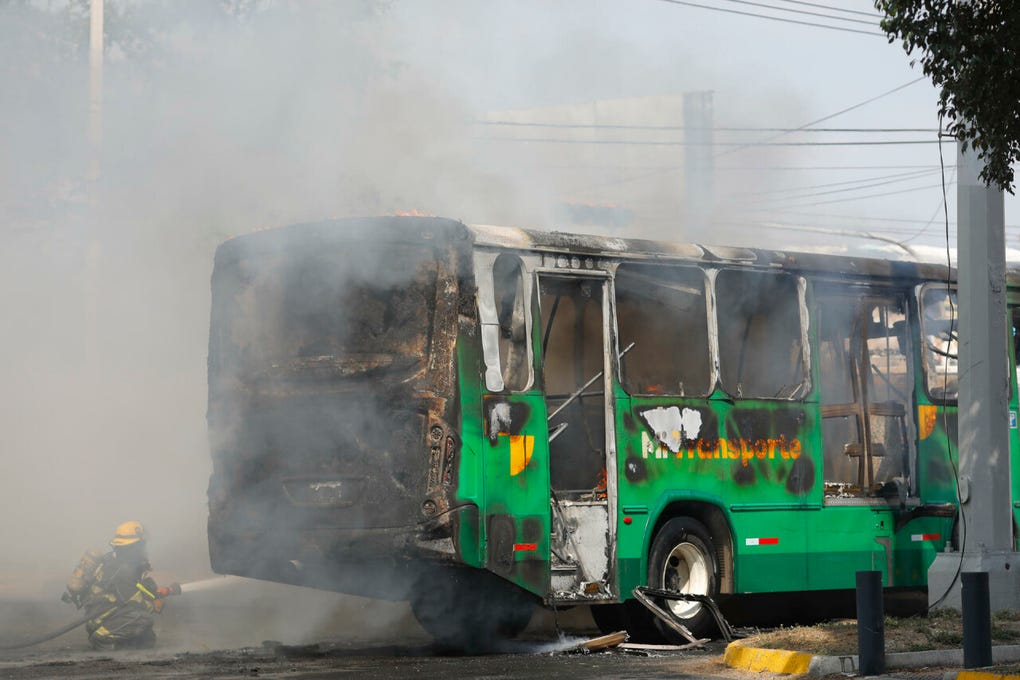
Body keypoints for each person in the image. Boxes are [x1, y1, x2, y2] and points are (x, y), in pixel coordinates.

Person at [64, 521, 170, 650]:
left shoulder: (115, 561)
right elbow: (136, 603)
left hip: (102, 617)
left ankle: (111, 638)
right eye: (141, 545)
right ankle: (101, 638)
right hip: (102, 620)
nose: (143, 549)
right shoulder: (123, 569)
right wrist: (155, 604)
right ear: (134, 546)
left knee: (147, 639)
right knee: (143, 618)